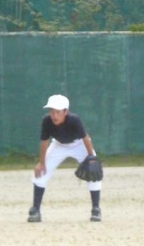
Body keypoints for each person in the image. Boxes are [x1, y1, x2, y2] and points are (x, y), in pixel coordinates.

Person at [28, 94, 102, 223]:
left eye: (58, 112)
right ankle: (36, 210)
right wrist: (41, 163)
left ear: (66, 112)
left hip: (79, 144)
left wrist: (91, 156)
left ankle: (96, 209)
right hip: (59, 145)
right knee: (41, 173)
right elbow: (44, 142)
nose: (54, 115)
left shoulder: (74, 120)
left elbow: (85, 138)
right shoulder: (47, 121)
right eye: (52, 112)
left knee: (93, 173)